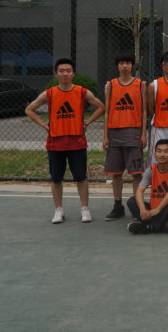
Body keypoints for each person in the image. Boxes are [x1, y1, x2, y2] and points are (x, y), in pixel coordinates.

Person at [26, 58, 105, 224]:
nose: (65, 74)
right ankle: (58, 210)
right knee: (56, 178)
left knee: (81, 177)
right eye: (61, 71)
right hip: (55, 143)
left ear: (73, 73)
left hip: (77, 142)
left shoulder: (82, 92)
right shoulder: (49, 93)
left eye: (68, 71)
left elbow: (101, 107)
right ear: (56, 74)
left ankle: (85, 209)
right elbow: (29, 109)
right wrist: (44, 125)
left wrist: (87, 123)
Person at [101, 51, 147, 222]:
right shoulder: (110, 86)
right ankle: (118, 205)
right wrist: (105, 136)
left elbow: (144, 111)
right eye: (121, 63)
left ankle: (136, 206)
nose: (125, 66)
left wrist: (143, 134)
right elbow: (107, 112)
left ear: (132, 66)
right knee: (116, 173)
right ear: (117, 66)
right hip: (114, 134)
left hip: (133, 134)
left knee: (136, 173)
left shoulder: (141, 85)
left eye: (128, 63)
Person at [126, 139, 168, 234]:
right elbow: (139, 190)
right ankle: (161, 225)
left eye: (166, 151)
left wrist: (158, 209)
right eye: (159, 151)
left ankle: (148, 226)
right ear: (155, 154)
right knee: (132, 201)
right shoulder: (151, 170)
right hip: (153, 210)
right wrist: (143, 209)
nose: (162, 154)